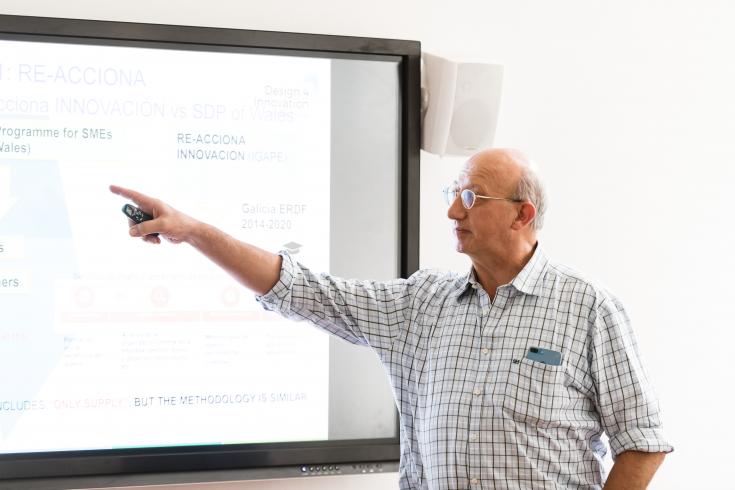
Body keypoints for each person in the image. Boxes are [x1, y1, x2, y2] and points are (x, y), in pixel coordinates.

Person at [110, 148, 672, 489]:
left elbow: (642, 441)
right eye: (454, 193)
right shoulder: (421, 304)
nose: (454, 210)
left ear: (522, 214)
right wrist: (196, 233)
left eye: (472, 197)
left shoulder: (588, 308)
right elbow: (304, 290)